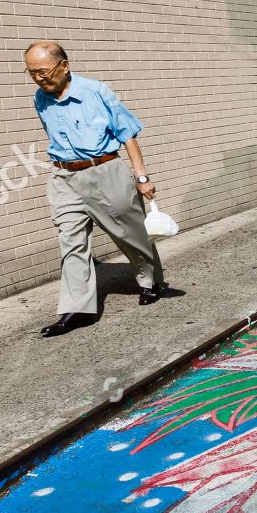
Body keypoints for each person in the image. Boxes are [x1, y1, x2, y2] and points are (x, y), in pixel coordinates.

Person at [25, 41, 164, 337]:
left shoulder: (96, 92)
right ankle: (78, 309)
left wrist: (141, 178)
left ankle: (149, 280)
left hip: (105, 171)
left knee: (129, 233)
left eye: (43, 71)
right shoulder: (40, 98)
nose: (39, 78)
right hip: (64, 178)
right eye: (32, 73)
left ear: (64, 65)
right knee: (71, 241)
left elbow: (127, 135)